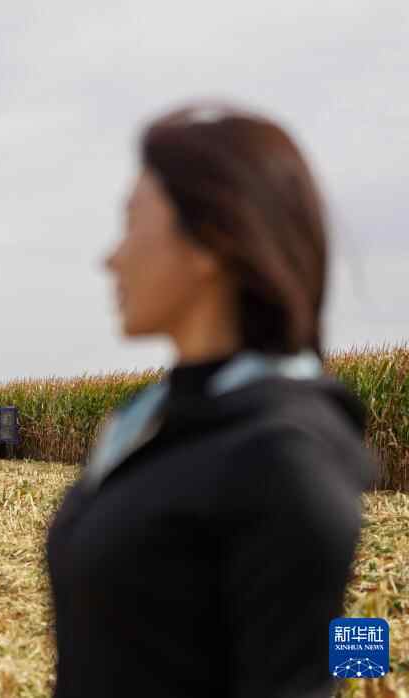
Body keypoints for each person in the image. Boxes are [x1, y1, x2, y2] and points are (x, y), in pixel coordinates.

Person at [45, 103, 376, 698]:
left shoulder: (282, 459)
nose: (111, 258)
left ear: (209, 244)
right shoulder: (153, 419)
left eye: (132, 223)